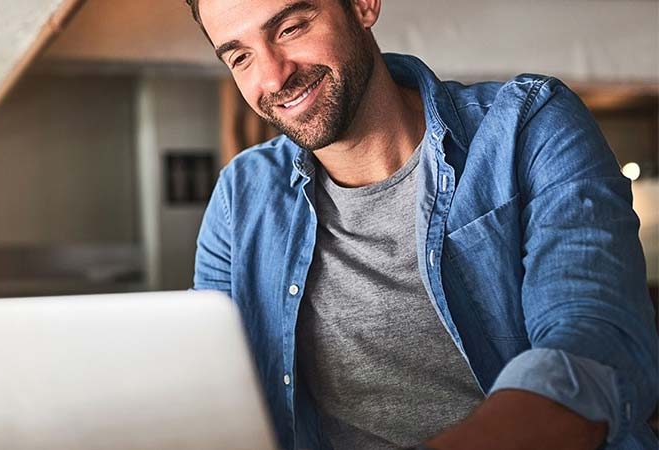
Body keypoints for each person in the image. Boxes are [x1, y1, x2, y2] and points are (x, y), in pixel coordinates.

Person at [186, 0, 659, 449]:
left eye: (290, 28)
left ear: (363, 5)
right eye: (241, 57)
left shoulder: (528, 127)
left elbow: (594, 350)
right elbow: (211, 388)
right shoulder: (240, 195)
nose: (272, 76)